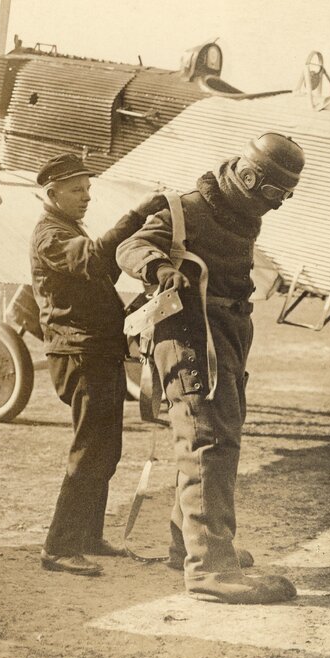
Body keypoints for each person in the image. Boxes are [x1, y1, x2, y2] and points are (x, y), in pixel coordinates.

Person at [116, 132, 304, 604]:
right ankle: (210, 568)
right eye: (273, 194)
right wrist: (159, 268)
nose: (276, 206)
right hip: (190, 337)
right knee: (208, 441)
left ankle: (190, 546)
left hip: (227, 335)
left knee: (219, 438)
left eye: (285, 197)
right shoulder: (186, 208)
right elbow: (131, 246)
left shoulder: (240, 213)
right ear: (248, 178)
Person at [30, 153, 151, 577]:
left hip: (97, 350)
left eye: (88, 189)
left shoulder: (68, 228)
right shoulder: (50, 235)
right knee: (89, 450)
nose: (86, 197)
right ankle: (58, 547)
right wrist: (137, 216)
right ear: (52, 194)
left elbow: (100, 274)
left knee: (105, 449)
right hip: (79, 354)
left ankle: (86, 536)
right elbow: (96, 259)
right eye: (76, 190)